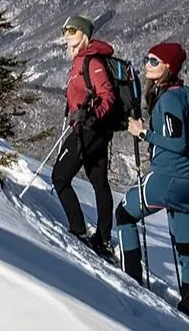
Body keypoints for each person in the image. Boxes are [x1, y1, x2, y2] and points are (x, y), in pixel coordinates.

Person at [115, 42, 189, 323]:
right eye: (147, 59)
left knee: (125, 215)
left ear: (168, 66)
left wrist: (144, 133)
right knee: (187, 248)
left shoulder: (168, 99)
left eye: (153, 61)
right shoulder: (184, 94)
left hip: (167, 176)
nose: (147, 64)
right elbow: (186, 137)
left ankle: (130, 279)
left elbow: (176, 142)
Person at [49, 15, 117, 255]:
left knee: (59, 177)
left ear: (84, 33)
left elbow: (107, 95)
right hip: (94, 131)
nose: (67, 34)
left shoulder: (92, 61)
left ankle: (78, 230)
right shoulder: (81, 59)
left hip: (87, 131)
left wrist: (91, 116)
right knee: (99, 183)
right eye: (65, 29)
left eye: (72, 30)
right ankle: (103, 237)